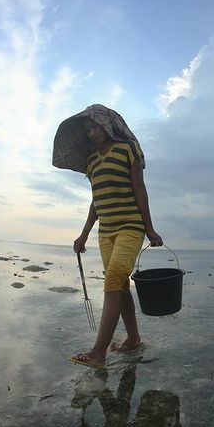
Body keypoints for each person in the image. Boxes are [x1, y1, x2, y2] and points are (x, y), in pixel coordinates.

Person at [53, 104, 162, 370]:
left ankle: (98, 353)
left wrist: (150, 228)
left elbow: (139, 187)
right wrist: (83, 235)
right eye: (87, 130)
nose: (91, 133)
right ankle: (133, 339)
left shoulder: (127, 149)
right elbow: (96, 201)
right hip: (106, 232)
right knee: (120, 284)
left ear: (107, 124)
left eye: (95, 127)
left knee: (113, 278)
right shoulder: (92, 160)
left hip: (130, 226)